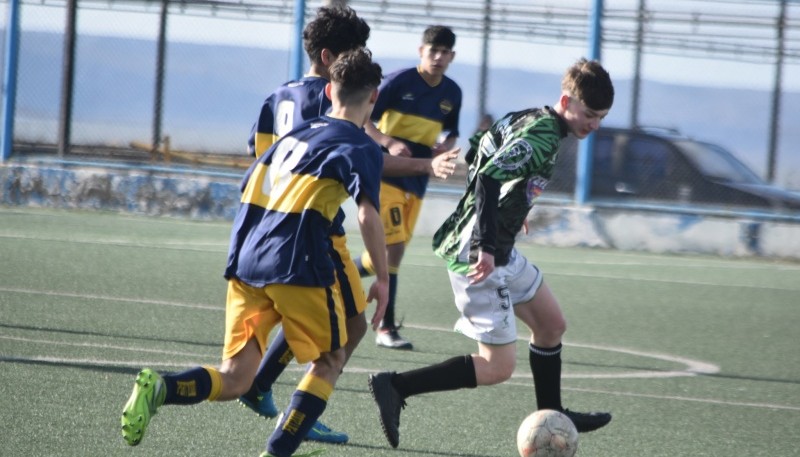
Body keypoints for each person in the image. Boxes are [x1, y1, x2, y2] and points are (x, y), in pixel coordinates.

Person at [121, 48, 390, 457]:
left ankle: (162, 386)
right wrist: (384, 279)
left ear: (330, 89)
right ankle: (278, 451)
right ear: (374, 98)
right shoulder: (360, 145)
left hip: (246, 259)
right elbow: (369, 216)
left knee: (235, 379)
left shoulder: (294, 137)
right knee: (332, 357)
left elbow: (250, 187)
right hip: (295, 262)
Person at [367, 58, 616, 449]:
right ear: (566, 101)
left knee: (551, 324)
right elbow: (484, 176)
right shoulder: (543, 134)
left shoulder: (531, 118)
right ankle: (396, 385)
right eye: (589, 114)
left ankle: (554, 415)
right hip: (479, 251)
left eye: (601, 117)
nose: (594, 124)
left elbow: (485, 147)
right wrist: (485, 243)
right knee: (497, 367)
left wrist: (518, 209)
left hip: (500, 244)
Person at [239, 5, 459, 445]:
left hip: (268, 222)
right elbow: (368, 159)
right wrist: (426, 164)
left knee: (330, 318)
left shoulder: (279, 95)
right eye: (354, 51)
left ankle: (268, 390)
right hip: (313, 229)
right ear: (327, 57)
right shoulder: (330, 96)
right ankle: (294, 418)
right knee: (348, 329)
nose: (359, 61)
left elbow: (259, 156)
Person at [356, 25, 462, 350]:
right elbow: (363, 120)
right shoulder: (398, 82)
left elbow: (451, 133)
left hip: (419, 178)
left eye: (445, 53)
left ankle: (330, 273)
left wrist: (446, 147)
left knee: (391, 254)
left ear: (452, 57)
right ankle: (385, 327)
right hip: (386, 174)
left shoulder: (453, 93)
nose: (439, 57)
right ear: (421, 51)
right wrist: (388, 142)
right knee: (391, 248)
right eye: (433, 51)